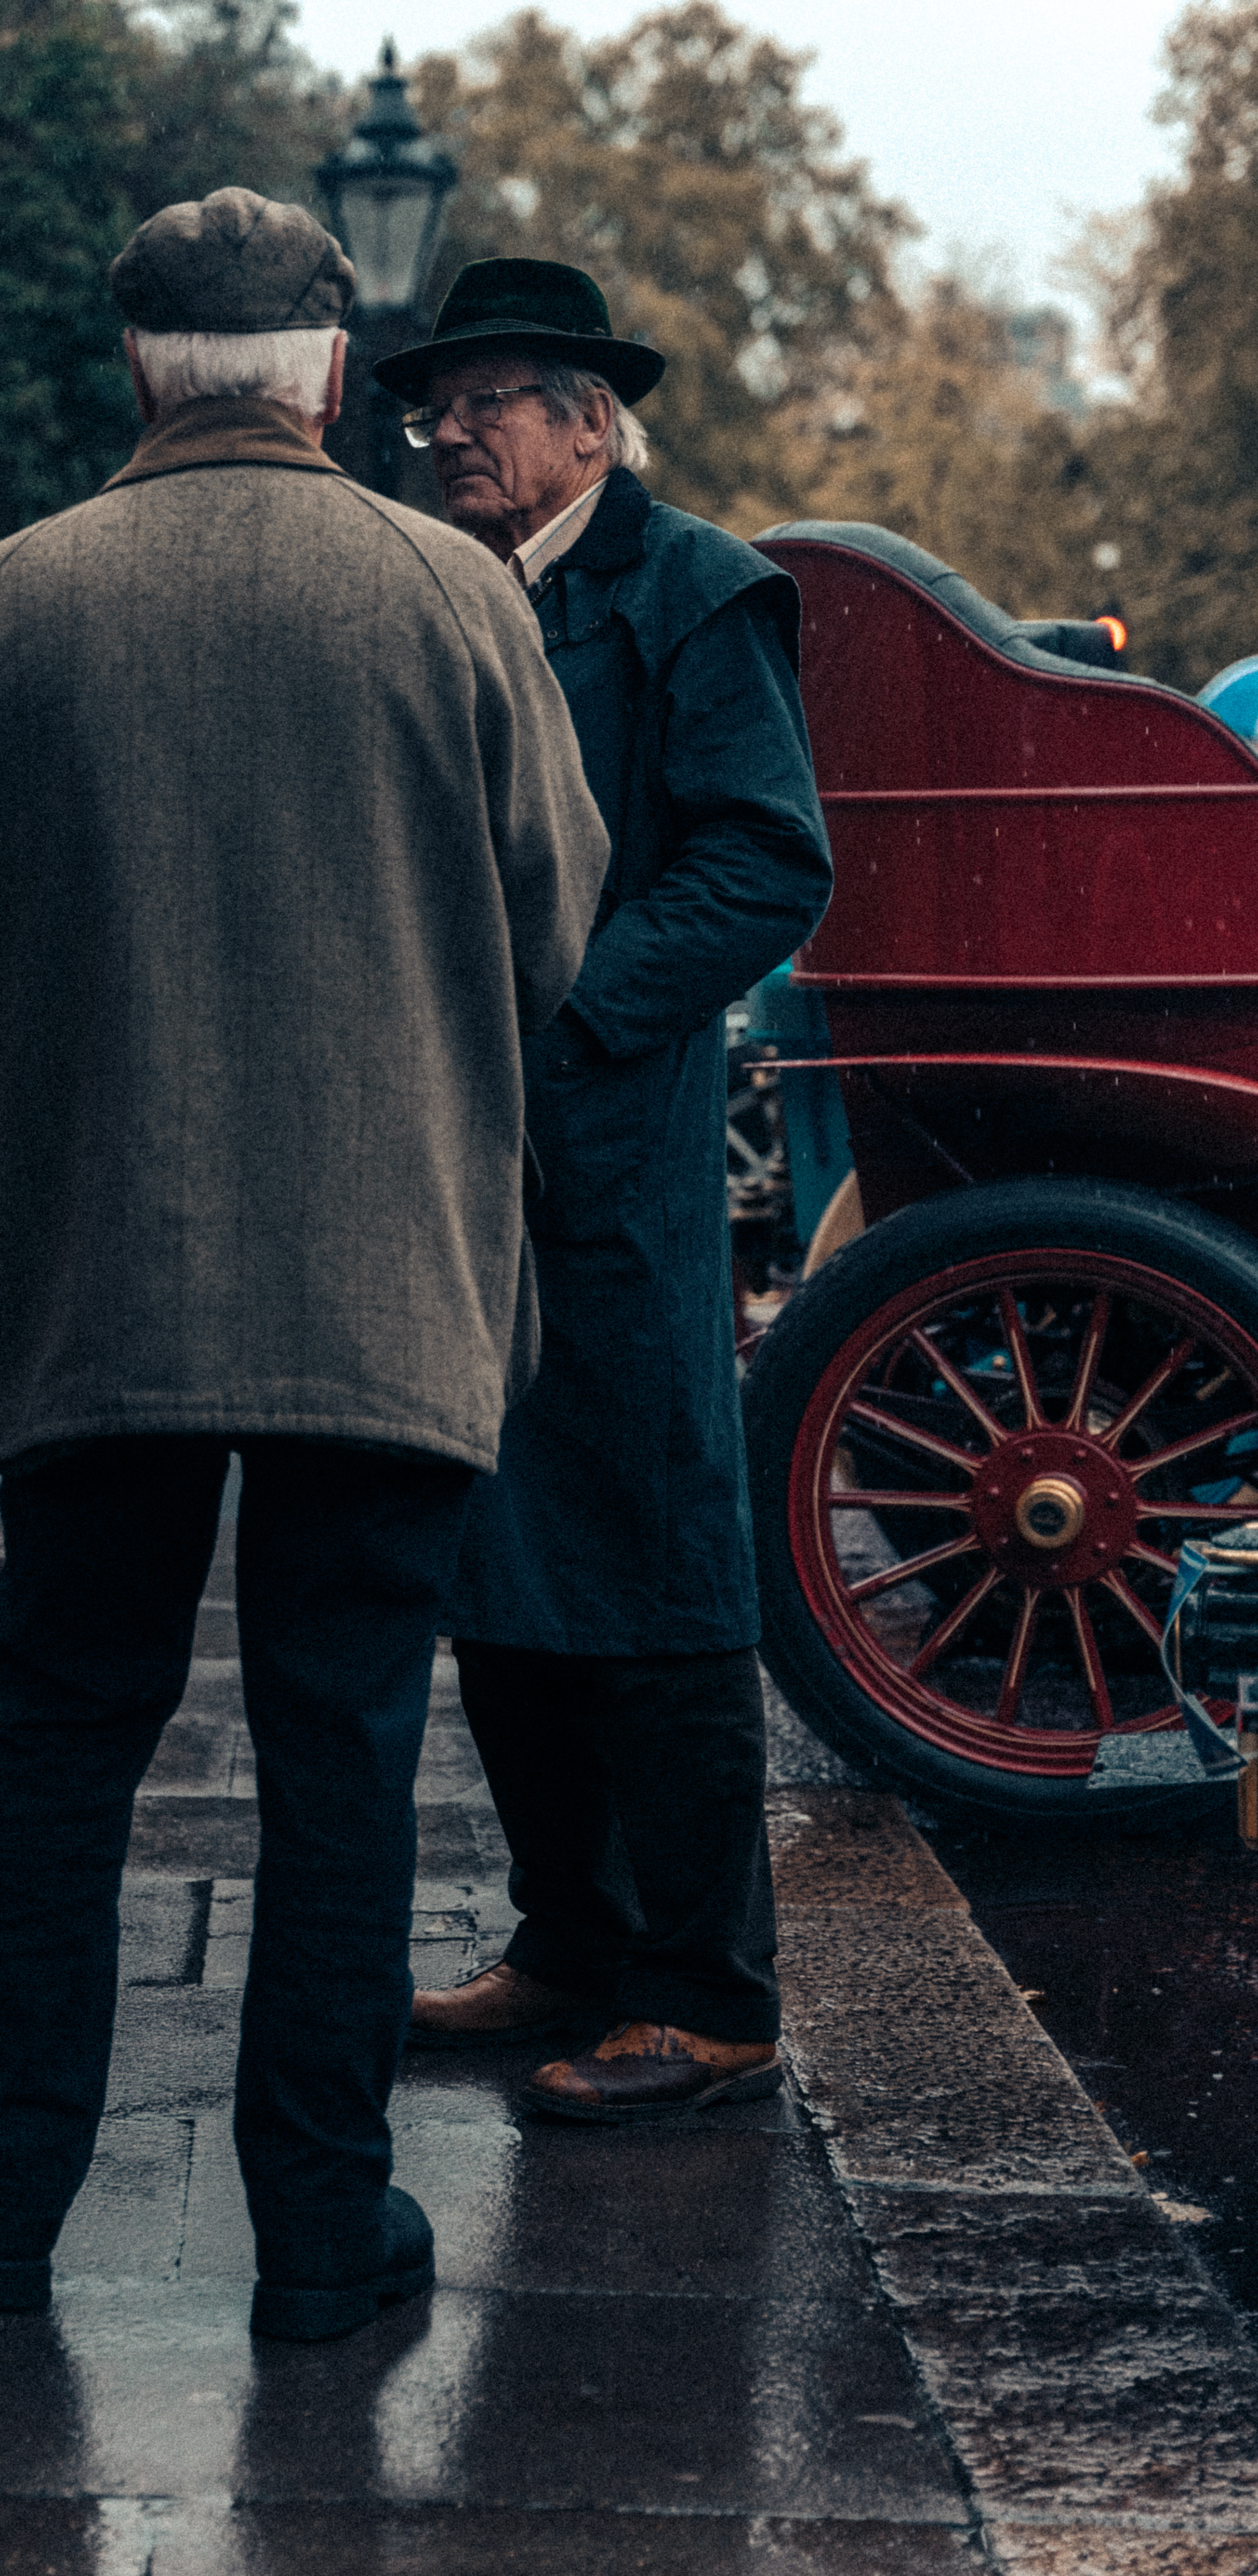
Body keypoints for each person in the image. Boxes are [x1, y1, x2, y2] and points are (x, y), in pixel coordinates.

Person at [0, 189, 608, 2340]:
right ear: (325, 375)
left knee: (58, 1738)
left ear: (136, 372)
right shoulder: (456, 598)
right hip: (385, 1278)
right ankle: (320, 2227)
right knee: (347, 1746)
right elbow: (555, 929)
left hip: (91, 1273)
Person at [381, 260, 834, 2125]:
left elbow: (762, 862)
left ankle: (710, 1996)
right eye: (443, 405)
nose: (460, 433)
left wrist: (576, 1021)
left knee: (656, 1570)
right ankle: (570, 1940)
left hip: (614, 1158)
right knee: (501, 1564)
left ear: (591, 420)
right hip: (462, 1151)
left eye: (497, 399)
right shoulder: (449, 591)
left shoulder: (691, 591)